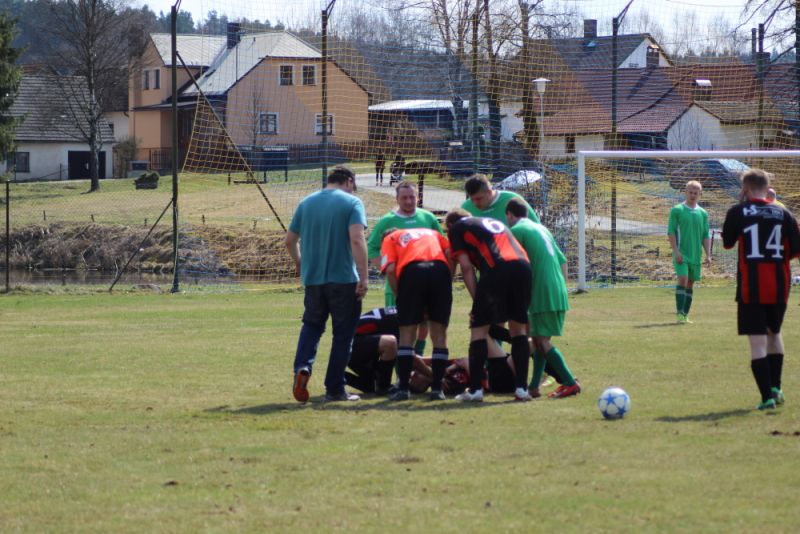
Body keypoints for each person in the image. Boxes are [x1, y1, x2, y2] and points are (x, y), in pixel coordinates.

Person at [285, 165, 369, 403]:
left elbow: (289, 241)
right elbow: (356, 238)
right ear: (350, 182)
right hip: (344, 280)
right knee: (343, 335)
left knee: (312, 326)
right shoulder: (352, 203)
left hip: (314, 280)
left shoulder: (306, 202)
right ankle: (334, 389)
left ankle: (303, 367)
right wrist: (363, 276)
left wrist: (300, 262)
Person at [721, 168, 800, 410]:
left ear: (745, 189)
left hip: (751, 287)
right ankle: (776, 388)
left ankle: (766, 398)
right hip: (779, 286)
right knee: (774, 334)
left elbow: (727, 243)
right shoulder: (783, 213)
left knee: (757, 342)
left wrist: (740, 206)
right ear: (767, 188)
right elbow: (795, 251)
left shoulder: (738, 211)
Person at [445, 208, 533, 402]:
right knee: (518, 330)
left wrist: (478, 304)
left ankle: (475, 391)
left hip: (497, 268)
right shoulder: (493, 222)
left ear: (450, 226)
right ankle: (521, 389)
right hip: (524, 268)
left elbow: (466, 268)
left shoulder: (456, 229)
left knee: (479, 329)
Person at [506, 198, 581, 399]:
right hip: (557, 289)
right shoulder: (542, 229)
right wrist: (561, 289)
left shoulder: (516, 231)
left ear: (510, 215)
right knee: (540, 339)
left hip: (541, 290)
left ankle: (570, 382)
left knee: (540, 340)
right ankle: (534, 386)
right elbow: (563, 260)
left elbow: (511, 267)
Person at [366, 181, 443, 355]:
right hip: (398, 285)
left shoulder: (428, 218)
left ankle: (418, 360)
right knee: (400, 328)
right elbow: (371, 247)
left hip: (427, 284)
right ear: (397, 199)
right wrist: (387, 269)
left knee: (424, 324)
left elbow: (442, 243)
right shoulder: (388, 220)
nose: (408, 201)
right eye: (404, 198)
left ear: (418, 197)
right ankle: (401, 373)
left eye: (412, 197)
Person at [380, 227, 453, 400]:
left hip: (412, 272)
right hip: (440, 269)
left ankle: (403, 389)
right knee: (439, 334)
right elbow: (450, 252)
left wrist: (401, 296)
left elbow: (390, 270)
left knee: (407, 334)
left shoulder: (390, 238)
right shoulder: (432, 232)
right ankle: (437, 389)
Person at [346, 306, 430, 395]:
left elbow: (410, 356)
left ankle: (338, 376)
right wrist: (434, 377)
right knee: (390, 343)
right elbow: (410, 357)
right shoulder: (405, 320)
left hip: (357, 348)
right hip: (352, 348)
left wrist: (440, 364)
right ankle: (384, 387)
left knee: (371, 386)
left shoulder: (406, 313)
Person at [667, 180, 712, 324]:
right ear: (685, 192)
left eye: (695, 193)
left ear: (700, 194)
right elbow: (671, 232)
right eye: (690, 192)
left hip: (695, 255)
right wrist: (676, 251)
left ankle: (685, 315)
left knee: (690, 283)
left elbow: (705, 235)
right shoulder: (677, 210)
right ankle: (679, 313)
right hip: (681, 253)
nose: (693, 195)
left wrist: (708, 254)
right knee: (683, 279)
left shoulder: (703, 213)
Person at [461, 174, 540, 224]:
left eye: (478, 199)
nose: (475, 203)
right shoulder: (466, 207)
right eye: (472, 199)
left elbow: (536, 229)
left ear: (489, 192)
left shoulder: (513, 200)